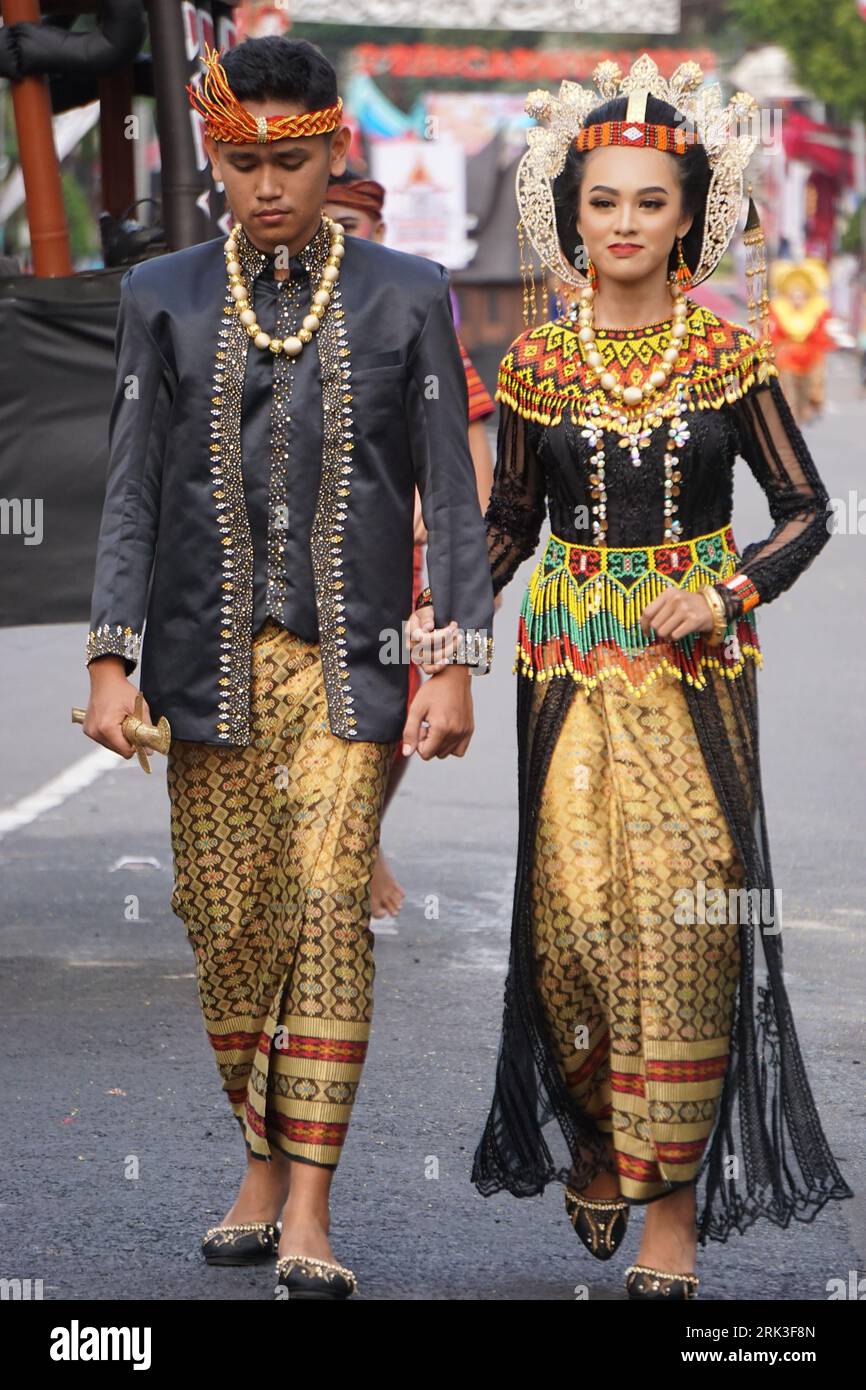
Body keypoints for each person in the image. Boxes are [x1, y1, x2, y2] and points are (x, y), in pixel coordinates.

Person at [410, 55, 853, 1300]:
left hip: (692, 672)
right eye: (601, 201)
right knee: (574, 931)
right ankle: (602, 1139)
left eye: (647, 203)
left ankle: (671, 1222)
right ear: (570, 213)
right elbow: (506, 526)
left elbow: (806, 511)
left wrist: (723, 591)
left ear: (687, 218)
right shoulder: (540, 367)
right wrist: (445, 618)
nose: (621, 224)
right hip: (565, 669)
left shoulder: (726, 356)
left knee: (685, 931)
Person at [81, 35, 494, 1301]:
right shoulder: (161, 292)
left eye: (294, 159)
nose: (268, 183)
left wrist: (454, 659)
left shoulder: (405, 292)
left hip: (352, 673)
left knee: (324, 908)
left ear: (335, 155)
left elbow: (447, 499)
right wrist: (111, 655)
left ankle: (308, 1207)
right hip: (204, 679)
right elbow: (131, 487)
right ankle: (260, 1159)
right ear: (214, 153)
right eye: (245, 159)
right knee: (225, 927)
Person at [322, 169, 496, 918]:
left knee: (397, 713)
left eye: (350, 230)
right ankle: (338, 840)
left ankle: (363, 832)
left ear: (381, 237)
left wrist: (456, 519)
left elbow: (467, 442)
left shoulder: (411, 316)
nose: (332, 243)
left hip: (403, 561)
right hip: (304, 557)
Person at [768, 257, 835, 425]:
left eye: (801, 295)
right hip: (788, 359)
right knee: (788, 388)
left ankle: (808, 406)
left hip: (809, 358)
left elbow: (822, 337)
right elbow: (773, 336)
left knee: (810, 385)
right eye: (794, 294)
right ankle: (790, 418)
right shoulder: (779, 309)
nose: (797, 299)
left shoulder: (816, 309)